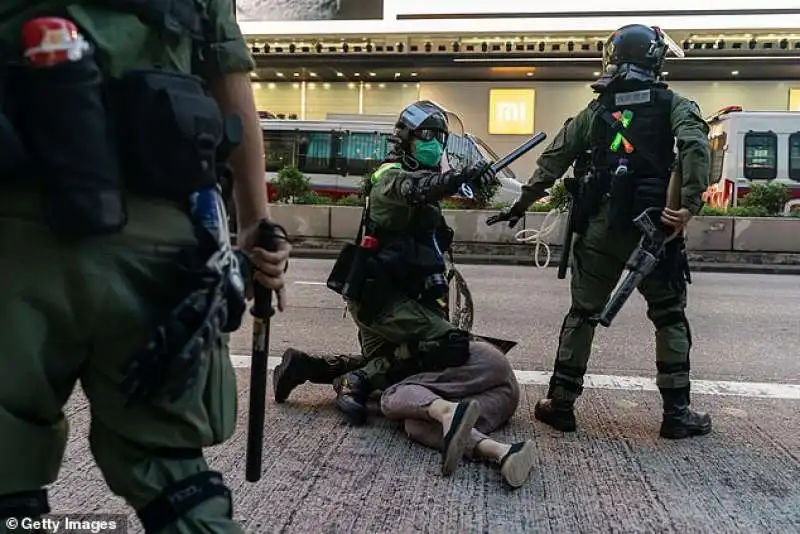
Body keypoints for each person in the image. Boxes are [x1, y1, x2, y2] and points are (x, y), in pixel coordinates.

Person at [0, 2, 289, 533]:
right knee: (177, 479)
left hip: (15, 238)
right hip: (160, 252)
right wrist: (255, 227)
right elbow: (232, 85)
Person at [487, 24, 712, 440]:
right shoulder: (675, 104)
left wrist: (520, 205)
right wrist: (687, 208)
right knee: (668, 315)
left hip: (602, 230)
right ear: (655, 58)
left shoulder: (596, 112)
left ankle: (561, 404)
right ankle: (676, 413)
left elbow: (553, 160)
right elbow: (696, 147)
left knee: (583, 314)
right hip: (656, 227)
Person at [323, 100, 496, 425]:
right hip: (383, 302)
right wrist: (455, 178)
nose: (436, 144)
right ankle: (355, 382)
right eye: (428, 136)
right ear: (406, 138)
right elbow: (415, 189)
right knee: (449, 346)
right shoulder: (391, 177)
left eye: (441, 138)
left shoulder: (423, 183)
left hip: (399, 298)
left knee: (392, 364)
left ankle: (306, 366)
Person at [380, 341, 536, 486]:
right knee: (415, 425)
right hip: (502, 397)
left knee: (390, 396)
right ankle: (503, 451)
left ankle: (447, 411)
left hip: (480, 363)